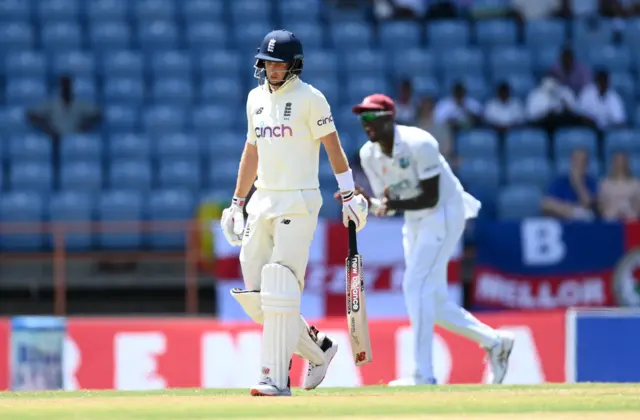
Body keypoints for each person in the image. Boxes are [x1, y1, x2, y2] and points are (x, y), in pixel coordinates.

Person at [219, 30, 368, 397]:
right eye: (267, 63)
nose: (272, 69)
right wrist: (237, 202)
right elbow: (250, 152)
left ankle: (274, 378)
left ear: (294, 65)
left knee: (281, 283)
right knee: (256, 295)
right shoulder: (254, 99)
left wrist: (348, 193)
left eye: (279, 63)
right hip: (263, 199)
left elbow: (333, 147)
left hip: (299, 201)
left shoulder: (310, 99)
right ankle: (319, 349)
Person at [349, 93, 514, 386]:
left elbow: (430, 197)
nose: (367, 123)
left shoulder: (420, 143)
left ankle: (422, 374)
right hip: (415, 220)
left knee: (415, 285)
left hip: (444, 214)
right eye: (363, 117)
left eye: (373, 116)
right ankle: (495, 342)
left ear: (390, 117)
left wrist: (389, 205)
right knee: (432, 302)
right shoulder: (368, 154)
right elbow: (386, 205)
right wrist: (364, 203)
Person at [26, 75, 102, 171]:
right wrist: (47, 128)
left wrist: (85, 126)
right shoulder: (51, 103)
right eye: (63, 85)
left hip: (75, 142)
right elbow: (31, 115)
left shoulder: (80, 103)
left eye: (68, 85)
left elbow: (98, 115)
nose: (66, 88)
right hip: (55, 141)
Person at [542, 148, 598, 220]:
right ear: (571, 161)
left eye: (583, 161)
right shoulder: (558, 181)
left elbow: (589, 206)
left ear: (587, 164)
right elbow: (546, 204)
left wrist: (578, 183)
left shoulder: (592, 183)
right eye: (576, 160)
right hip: (562, 224)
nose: (579, 164)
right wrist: (573, 211)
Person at [598, 152, 640, 221]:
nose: (620, 164)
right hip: (610, 218)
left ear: (627, 163)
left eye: (623, 161)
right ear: (613, 163)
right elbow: (601, 205)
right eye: (618, 161)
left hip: (631, 219)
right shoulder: (605, 183)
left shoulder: (636, 183)